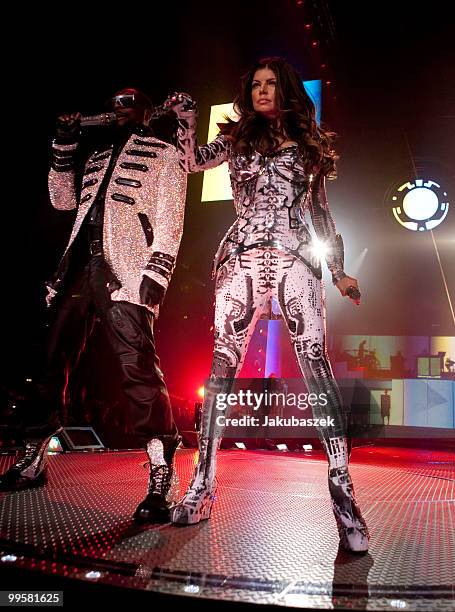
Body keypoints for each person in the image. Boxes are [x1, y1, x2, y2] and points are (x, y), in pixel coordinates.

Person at [166, 58, 369, 551]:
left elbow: (321, 213)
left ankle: (343, 497)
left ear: (286, 90)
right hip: (240, 257)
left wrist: (339, 272)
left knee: (316, 365)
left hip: (295, 256)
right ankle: (201, 485)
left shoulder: (308, 148)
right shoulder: (236, 140)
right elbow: (190, 162)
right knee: (220, 370)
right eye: (254, 84)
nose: (261, 91)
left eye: (270, 83)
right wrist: (188, 120)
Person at [0, 88, 187, 524]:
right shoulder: (98, 155)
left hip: (127, 271)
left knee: (137, 367)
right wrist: (63, 144)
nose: (120, 107)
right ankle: (33, 459)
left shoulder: (164, 153)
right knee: (49, 363)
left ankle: (161, 472)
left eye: (130, 100)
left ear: (144, 109)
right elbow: (62, 200)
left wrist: (155, 275)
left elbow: (170, 219)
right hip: (79, 269)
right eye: (115, 100)